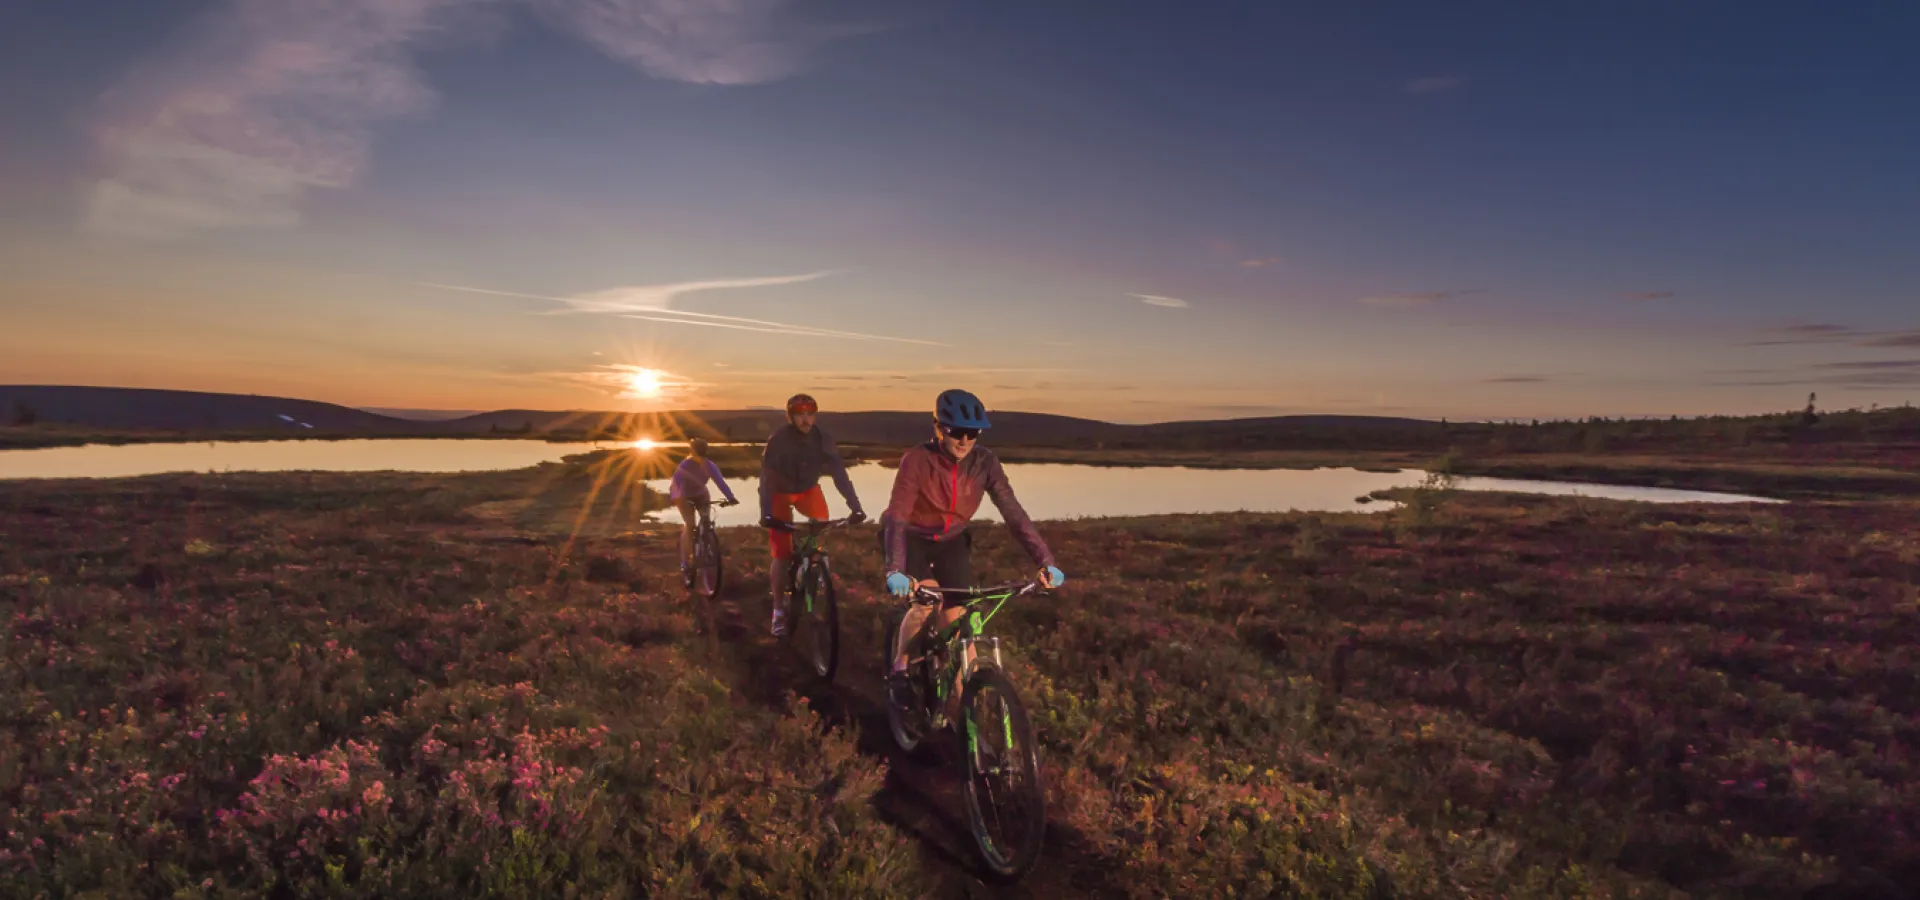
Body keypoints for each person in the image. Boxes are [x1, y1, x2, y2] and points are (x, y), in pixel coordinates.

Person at [880, 389, 1064, 678]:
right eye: (956, 431)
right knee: (928, 603)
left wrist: (1046, 561)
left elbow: (1014, 513)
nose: (964, 440)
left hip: (951, 540)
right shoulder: (916, 459)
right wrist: (894, 570)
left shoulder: (985, 462)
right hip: (912, 536)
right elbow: (898, 515)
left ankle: (962, 707)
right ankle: (900, 667)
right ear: (939, 427)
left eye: (973, 432)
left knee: (959, 615)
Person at [758, 393, 865, 636]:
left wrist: (855, 506)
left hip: (808, 490)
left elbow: (839, 474)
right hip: (779, 493)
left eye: (810, 414)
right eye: (800, 415)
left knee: (820, 528)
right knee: (782, 554)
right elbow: (766, 479)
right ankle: (778, 611)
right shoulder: (778, 440)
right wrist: (766, 513)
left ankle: (814, 568)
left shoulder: (822, 439)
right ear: (790, 417)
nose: (806, 420)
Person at [670, 437, 738, 588]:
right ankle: (685, 562)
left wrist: (731, 497)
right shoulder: (685, 465)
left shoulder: (710, 466)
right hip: (682, 494)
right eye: (698, 453)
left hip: (701, 493)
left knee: (706, 519)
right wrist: (680, 499)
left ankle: (707, 542)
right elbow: (678, 484)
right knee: (690, 524)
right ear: (692, 452)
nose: (701, 457)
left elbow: (720, 481)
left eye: (704, 453)